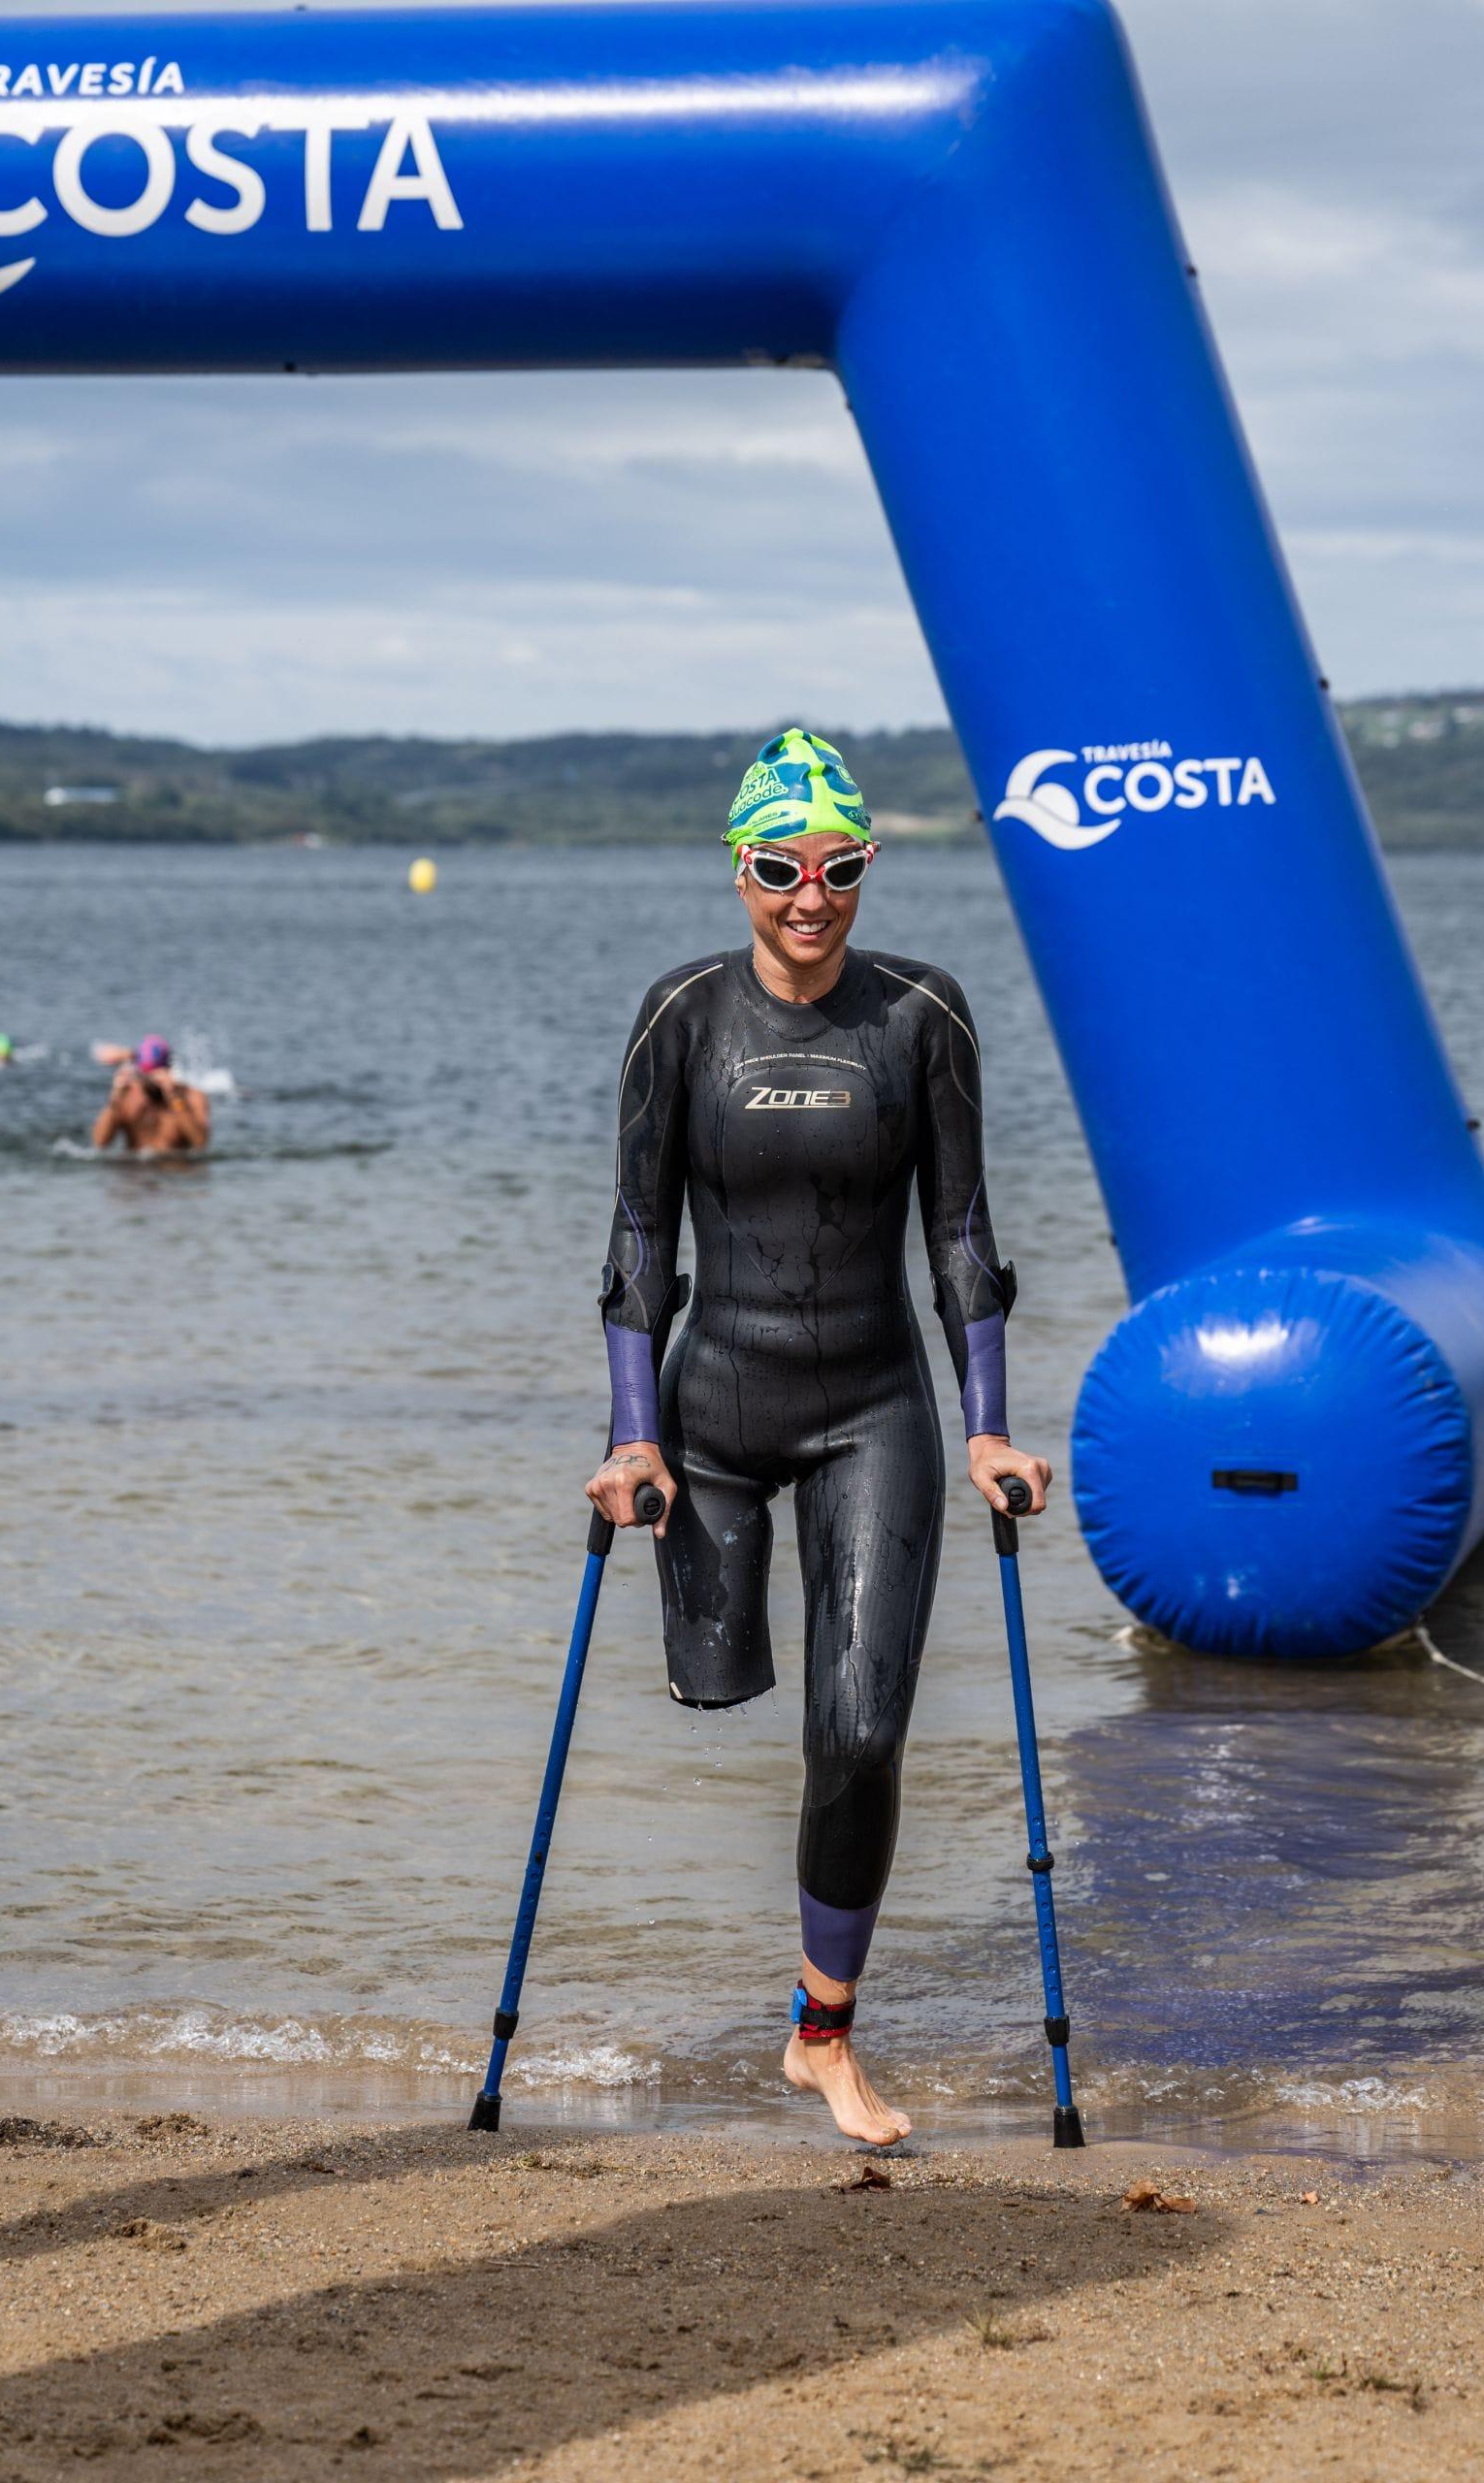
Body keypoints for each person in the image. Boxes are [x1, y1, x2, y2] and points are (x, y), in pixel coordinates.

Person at [587, 728, 1052, 2145]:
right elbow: (639, 1243)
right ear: (738, 868)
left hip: (870, 1411)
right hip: (712, 1422)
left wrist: (987, 1428)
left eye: (839, 867)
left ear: (866, 868)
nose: (810, 894)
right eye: (782, 866)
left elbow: (960, 1239)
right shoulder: (681, 1017)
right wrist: (633, 1437)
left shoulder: (921, 1016)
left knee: (855, 1736)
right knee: (717, 1686)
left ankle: (822, 2033)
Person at [90, 1036, 210, 1156]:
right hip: (135, 1167)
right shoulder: (128, 1096)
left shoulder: (192, 1096)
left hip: (175, 1165)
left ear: (168, 1070)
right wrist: (115, 1097)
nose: (152, 1082)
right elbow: (99, 1143)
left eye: (156, 1075)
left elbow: (200, 1143)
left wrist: (174, 1097)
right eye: (147, 1076)